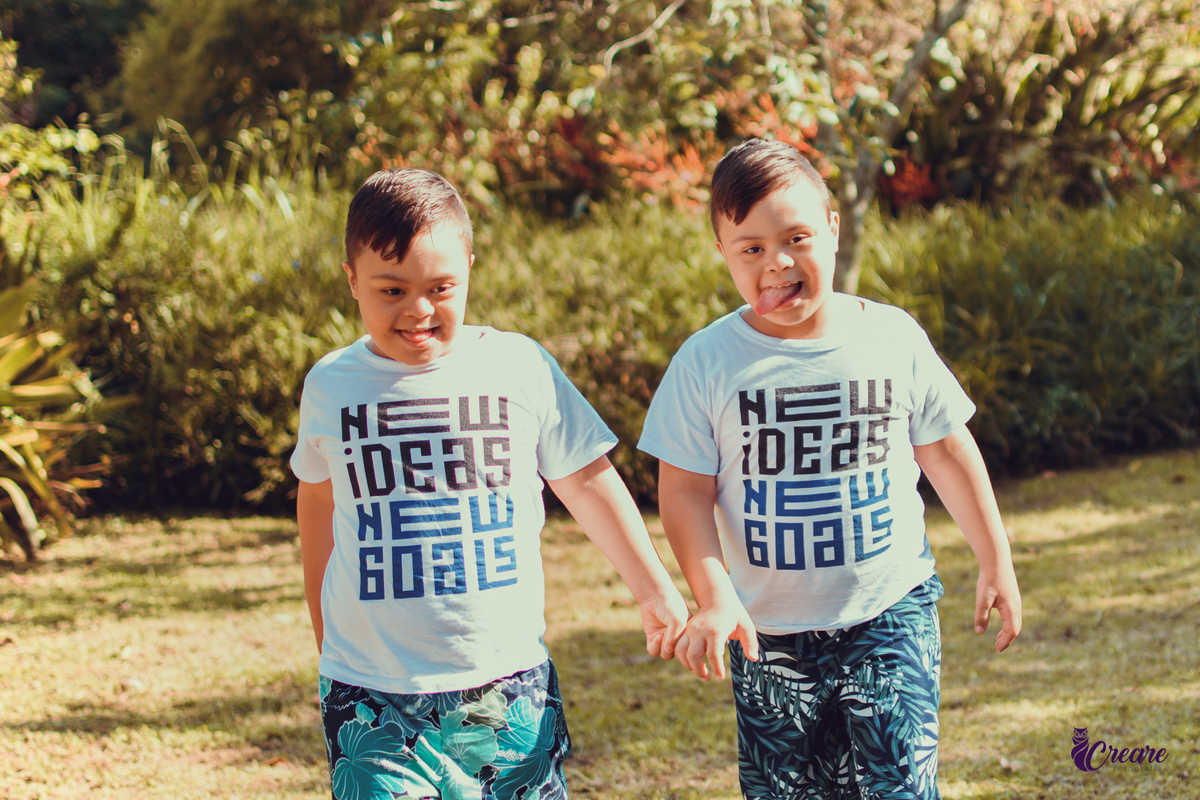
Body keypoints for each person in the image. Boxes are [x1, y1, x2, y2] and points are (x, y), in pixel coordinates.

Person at [637, 138, 1022, 799]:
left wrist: (996, 558)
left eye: (796, 237)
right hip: (766, 633)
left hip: (889, 610)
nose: (777, 262)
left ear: (833, 228)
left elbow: (947, 449)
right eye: (750, 247)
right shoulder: (707, 362)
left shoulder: (890, 337)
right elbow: (685, 494)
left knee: (897, 784)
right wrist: (714, 595)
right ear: (723, 251)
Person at [292, 168, 688, 800]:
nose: (417, 309)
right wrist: (322, 624)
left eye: (441, 287)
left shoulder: (517, 366)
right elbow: (317, 501)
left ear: (470, 268)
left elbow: (586, 479)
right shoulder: (332, 386)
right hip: (370, 689)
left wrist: (656, 589)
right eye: (391, 289)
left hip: (504, 680)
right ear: (351, 280)